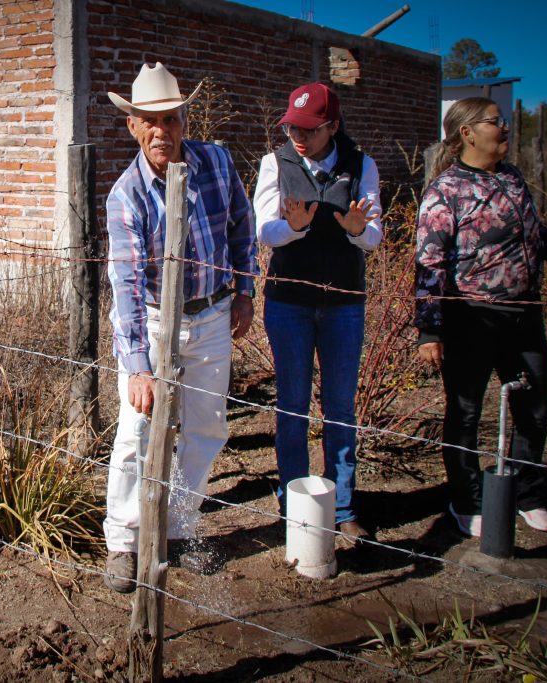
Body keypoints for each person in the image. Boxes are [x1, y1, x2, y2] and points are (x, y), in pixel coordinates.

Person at [103, 62, 257, 593]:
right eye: (149, 121)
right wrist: (138, 367)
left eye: (169, 119)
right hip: (152, 320)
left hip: (212, 314)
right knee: (137, 433)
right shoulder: (126, 196)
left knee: (207, 427)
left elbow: (242, 223)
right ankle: (124, 542)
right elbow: (125, 285)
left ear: (184, 119)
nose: (160, 132)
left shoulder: (215, 161)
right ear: (132, 125)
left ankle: (177, 527)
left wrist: (244, 290)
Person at [415, 96, 547, 537]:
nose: (506, 128)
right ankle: (468, 500)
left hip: (525, 313)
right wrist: (429, 328)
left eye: (505, 120)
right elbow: (429, 264)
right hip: (473, 318)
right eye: (496, 121)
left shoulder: (513, 179)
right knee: (467, 413)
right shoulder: (446, 192)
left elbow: (534, 233)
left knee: (533, 408)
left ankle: (527, 493)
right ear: (467, 133)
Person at [252, 82, 382, 545]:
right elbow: (263, 230)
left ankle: (343, 506)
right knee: (291, 405)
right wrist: (293, 228)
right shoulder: (276, 163)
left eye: (309, 129)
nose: (298, 138)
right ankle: (295, 503)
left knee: (341, 408)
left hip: (345, 302)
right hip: (288, 302)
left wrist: (355, 232)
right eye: (291, 128)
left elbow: (375, 235)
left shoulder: (361, 165)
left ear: (333, 126)